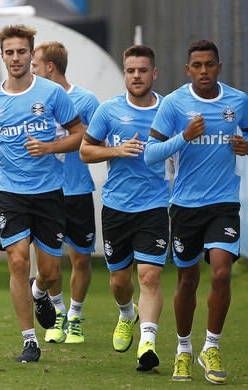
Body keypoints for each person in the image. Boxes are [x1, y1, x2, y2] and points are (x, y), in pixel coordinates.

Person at [144, 39, 248, 384]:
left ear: (219, 67)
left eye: (210, 65)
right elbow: (151, 153)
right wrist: (184, 136)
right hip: (184, 205)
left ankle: (211, 346)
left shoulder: (237, 101)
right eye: (197, 65)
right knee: (188, 279)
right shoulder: (176, 104)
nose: (204, 71)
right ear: (187, 69)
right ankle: (183, 350)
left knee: (222, 273)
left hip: (224, 202)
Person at [0, 24, 88, 363]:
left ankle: (40, 293)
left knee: (51, 272)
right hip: (9, 191)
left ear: (31, 54)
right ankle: (29, 341)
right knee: (18, 261)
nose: (15, 57)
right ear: (2, 55)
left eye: (21, 52)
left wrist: (50, 147)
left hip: (49, 192)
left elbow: (79, 134)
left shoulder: (53, 94)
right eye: (9, 52)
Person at [80, 45, 170, 372]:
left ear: (154, 73)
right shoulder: (108, 111)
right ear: (125, 73)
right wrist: (117, 151)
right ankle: (126, 314)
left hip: (155, 206)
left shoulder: (168, 110)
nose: (136, 76)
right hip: (117, 206)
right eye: (131, 71)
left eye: (142, 70)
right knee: (120, 281)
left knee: (149, 276)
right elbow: (86, 152)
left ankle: (147, 342)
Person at [30, 41, 99, 345]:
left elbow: (96, 141)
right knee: (50, 263)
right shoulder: (31, 100)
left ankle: (75, 316)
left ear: (50, 67)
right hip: (45, 193)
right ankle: (56, 312)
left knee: (81, 260)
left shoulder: (86, 101)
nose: (30, 68)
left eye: (35, 63)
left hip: (79, 191)